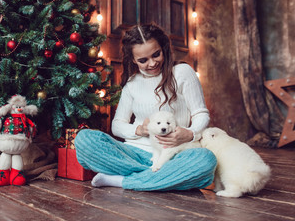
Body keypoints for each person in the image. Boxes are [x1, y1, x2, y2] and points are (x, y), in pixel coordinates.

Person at [75, 24, 217, 191]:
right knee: (84, 139)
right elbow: (117, 126)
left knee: (205, 161)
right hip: (132, 154)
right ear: (133, 60)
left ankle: (120, 181)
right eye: (143, 60)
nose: (152, 63)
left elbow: (201, 113)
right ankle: (158, 178)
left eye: (156, 54)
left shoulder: (182, 72)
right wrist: (139, 131)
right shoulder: (132, 83)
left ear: (163, 48)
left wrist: (190, 134)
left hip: (173, 155)